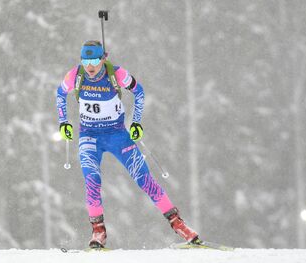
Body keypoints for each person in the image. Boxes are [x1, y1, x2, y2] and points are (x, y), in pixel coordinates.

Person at [56, 40, 201, 249]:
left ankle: (179, 225)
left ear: (103, 58)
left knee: (144, 179)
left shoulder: (117, 74)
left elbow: (139, 92)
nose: (90, 66)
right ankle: (98, 232)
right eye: (85, 60)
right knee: (92, 180)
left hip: (117, 135)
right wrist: (63, 123)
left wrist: (135, 122)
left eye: (95, 60)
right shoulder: (74, 76)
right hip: (89, 136)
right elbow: (60, 95)